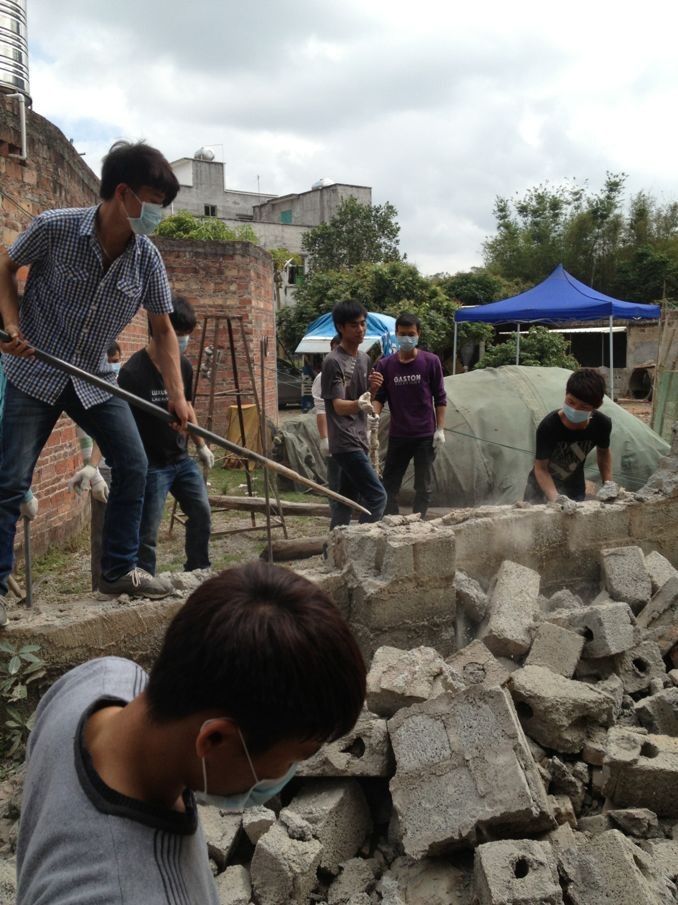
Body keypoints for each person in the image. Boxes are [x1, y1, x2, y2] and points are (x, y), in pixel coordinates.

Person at [16, 561, 367, 904]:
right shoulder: (126, 892)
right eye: (294, 758)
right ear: (214, 739)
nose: (288, 774)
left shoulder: (99, 679)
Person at [0, 141, 189, 608]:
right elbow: (5, 266)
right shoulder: (55, 227)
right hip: (34, 371)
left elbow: (163, 329)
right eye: (154, 201)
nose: (158, 214)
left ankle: (118, 571)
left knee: (133, 464)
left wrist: (178, 396)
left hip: (94, 379)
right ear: (123, 193)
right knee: (10, 481)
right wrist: (12, 325)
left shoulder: (146, 259)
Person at [117, 296, 214, 575]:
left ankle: (198, 569)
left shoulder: (183, 366)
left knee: (201, 513)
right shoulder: (132, 373)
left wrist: (201, 445)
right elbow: (122, 422)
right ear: (161, 330)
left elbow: (188, 406)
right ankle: (144, 577)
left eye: (186, 335)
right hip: (152, 464)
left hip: (180, 459)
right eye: (179, 334)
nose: (182, 341)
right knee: (148, 529)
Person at [372, 312, 447, 519]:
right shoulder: (385, 365)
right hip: (399, 434)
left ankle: (419, 522)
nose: (407, 338)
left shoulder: (430, 361)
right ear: (396, 334)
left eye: (411, 334)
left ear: (418, 334)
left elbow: (440, 397)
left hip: (424, 435)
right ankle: (393, 521)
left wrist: (440, 429)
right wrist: (374, 417)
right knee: (389, 484)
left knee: (423, 486)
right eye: (402, 334)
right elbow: (379, 397)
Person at [321, 300, 387, 528]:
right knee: (377, 497)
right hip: (344, 439)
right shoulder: (333, 361)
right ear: (340, 327)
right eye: (354, 325)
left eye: (363, 324)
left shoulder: (364, 359)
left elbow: (363, 397)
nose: (360, 329)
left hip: (360, 437)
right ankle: (362, 543)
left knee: (346, 500)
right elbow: (338, 406)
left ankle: (334, 545)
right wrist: (360, 403)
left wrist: (374, 389)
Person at [524, 368, 616, 509]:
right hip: (539, 490)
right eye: (571, 402)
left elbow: (603, 453)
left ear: (596, 406)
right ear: (566, 394)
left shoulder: (601, 424)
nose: (575, 409)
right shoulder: (549, 426)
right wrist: (556, 499)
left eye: (584, 406)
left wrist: (608, 484)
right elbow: (541, 468)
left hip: (574, 489)